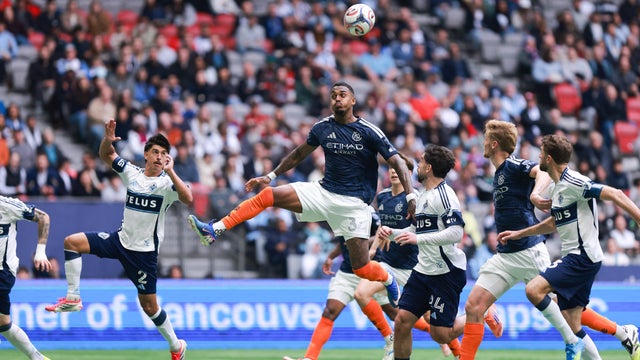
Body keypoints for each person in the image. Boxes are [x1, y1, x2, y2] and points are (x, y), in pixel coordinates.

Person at [188, 81, 416, 307]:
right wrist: (270, 176)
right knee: (268, 195)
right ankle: (215, 229)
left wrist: (410, 196)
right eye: (334, 95)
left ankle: (387, 278)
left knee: (362, 268)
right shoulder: (322, 127)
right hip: (324, 192)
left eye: (343, 95)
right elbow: (298, 154)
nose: (337, 98)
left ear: (353, 100)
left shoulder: (369, 131)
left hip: (354, 205)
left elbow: (397, 161)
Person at [460, 121, 640, 360]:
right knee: (474, 306)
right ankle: (619, 334)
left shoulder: (515, 165)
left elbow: (542, 171)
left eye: (484, 139)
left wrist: (535, 194)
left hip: (530, 253)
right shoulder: (500, 173)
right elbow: (553, 219)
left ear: (493, 144)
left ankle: (616, 334)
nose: (481, 143)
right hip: (507, 253)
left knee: (569, 313)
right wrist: (518, 233)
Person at [45, 119, 193, 360]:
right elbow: (106, 154)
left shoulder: (167, 185)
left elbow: (188, 198)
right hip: (119, 241)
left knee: (150, 307)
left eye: (164, 154)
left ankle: (177, 347)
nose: (159, 157)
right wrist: (107, 139)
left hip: (144, 255)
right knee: (71, 242)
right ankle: (73, 298)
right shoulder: (132, 173)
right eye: (155, 152)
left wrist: (172, 171)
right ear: (145, 154)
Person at [353, 156, 459, 359]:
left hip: (412, 267)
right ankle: (390, 339)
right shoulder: (383, 197)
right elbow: (382, 229)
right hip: (388, 263)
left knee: (432, 319)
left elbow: (420, 230)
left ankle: (456, 350)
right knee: (361, 293)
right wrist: (374, 249)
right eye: (391, 168)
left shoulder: (417, 199)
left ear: (408, 174)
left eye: (399, 169)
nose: (394, 172)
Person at [378, 145, 467, 360]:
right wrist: (393, 233)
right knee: (402, 321)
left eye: (420, 161)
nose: (418, 165)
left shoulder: (445, 196)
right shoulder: (423, 195)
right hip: (422, 271)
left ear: (429, 167)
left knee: (441, 335)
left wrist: (417, 238)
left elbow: (456, 232)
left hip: (446, 272)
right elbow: (417, 230)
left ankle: (480, 312)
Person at [0, 195, 52, 360]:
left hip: (3, 271)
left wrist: (40, 251)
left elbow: (43, 217)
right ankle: (37, 357)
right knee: (3, 324)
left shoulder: (6, 205)